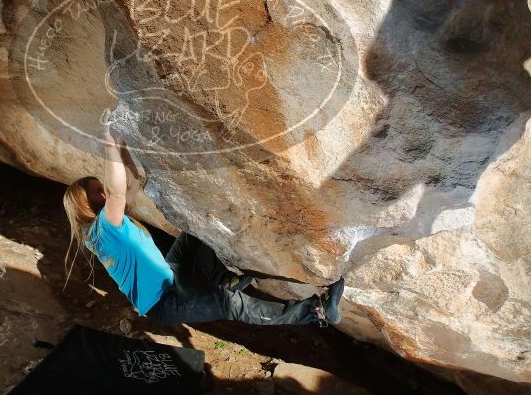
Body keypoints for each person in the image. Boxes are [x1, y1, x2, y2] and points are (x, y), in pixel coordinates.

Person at [61, 123, 344, 327]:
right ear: (85, 203)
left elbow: (132, 185)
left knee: (191, 234)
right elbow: (118, 191)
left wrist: (122, 146)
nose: (104, 192)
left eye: (101, 187)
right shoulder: (103, 231)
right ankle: (315, 312)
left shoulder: (107, 226)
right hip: (164, 301)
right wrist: (109, 146)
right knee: (228, 305)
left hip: (170, 277)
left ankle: (226, 280)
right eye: (98, 191)